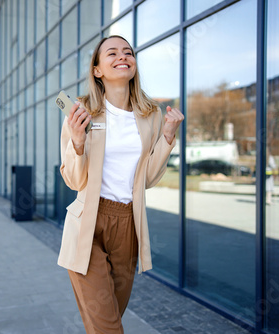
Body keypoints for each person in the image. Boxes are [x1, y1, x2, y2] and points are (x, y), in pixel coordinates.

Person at [58, 35, 183, 333]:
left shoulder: (151, 114)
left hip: (129, 225)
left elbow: (148, 179)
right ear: (98, 70)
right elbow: (74, 180)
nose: (122, 56)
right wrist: (77, 143)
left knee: (112, 315)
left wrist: (166, 138)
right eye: (111, 53)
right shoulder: (81, 111)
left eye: (128, 52)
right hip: (88, 222)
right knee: (108, 327)